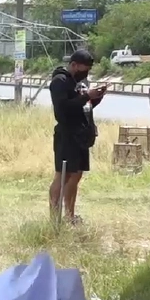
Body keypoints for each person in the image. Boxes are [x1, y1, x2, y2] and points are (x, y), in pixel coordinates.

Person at [48, 49, 104, 225]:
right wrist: (87, 95)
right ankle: (54, 218)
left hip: (80, 136)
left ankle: (70, 215)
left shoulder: (76, 82)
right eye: (83, 69)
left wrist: (95, 98)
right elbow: (64, 108)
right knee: (62, 176)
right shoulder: (60, 81)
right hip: (67, 135)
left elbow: (81, 106)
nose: (85, 73)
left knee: (77, 175)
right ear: (73, 65)